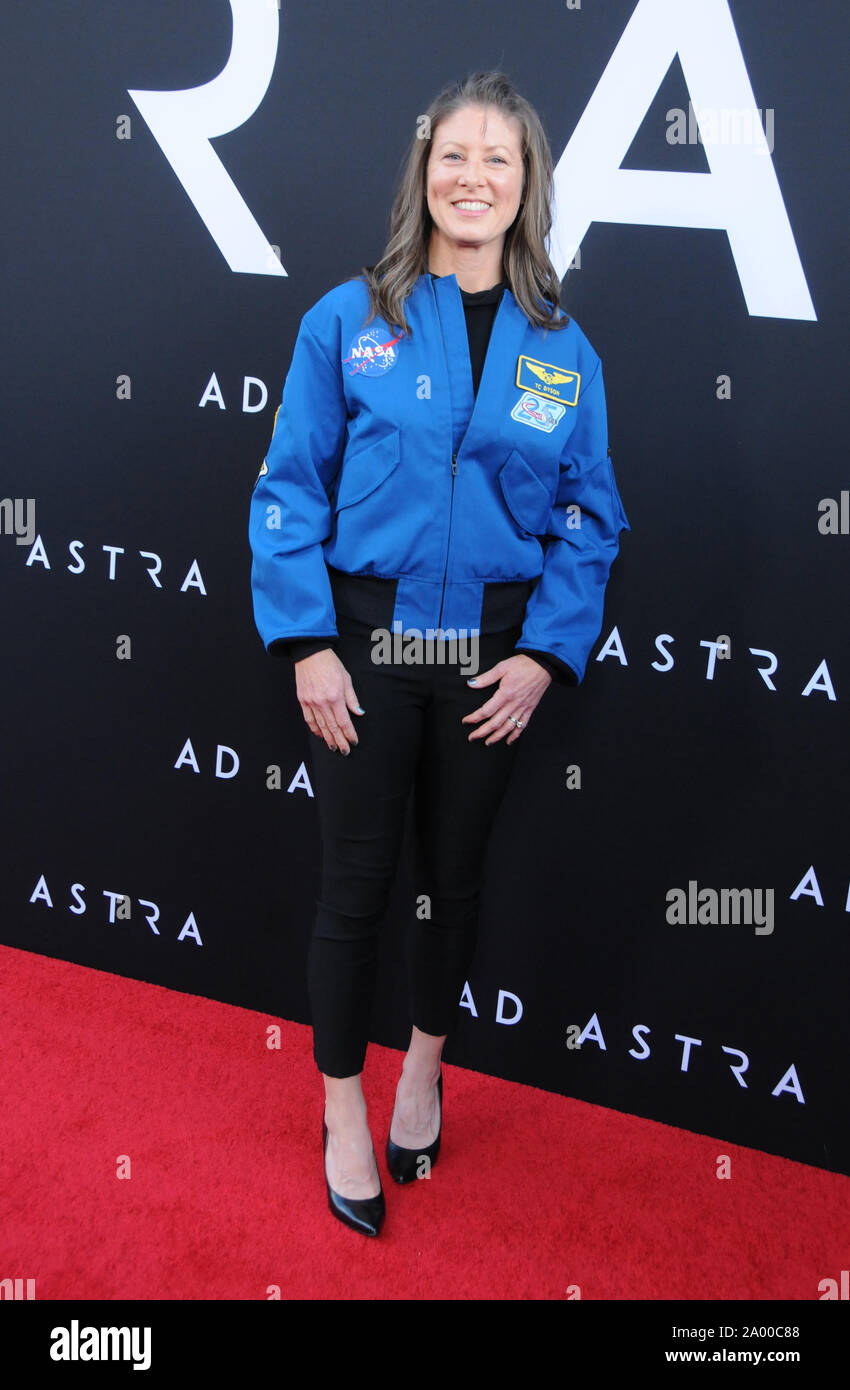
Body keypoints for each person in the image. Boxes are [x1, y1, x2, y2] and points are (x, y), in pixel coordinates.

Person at [248, 69, 630, 1237]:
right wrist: (308, 642)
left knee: (451, 886)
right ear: (425, 175)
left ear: (526, 188)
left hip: (487, 664)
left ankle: (421, 1068)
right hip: (363, 653)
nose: (473, 177)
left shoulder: (564, 349)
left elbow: (589, 517)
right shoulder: (346, 318)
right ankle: (344, 1107)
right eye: (453, 156)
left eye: (497, 161)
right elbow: (287, 491)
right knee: (355, 888)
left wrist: (546, 658)